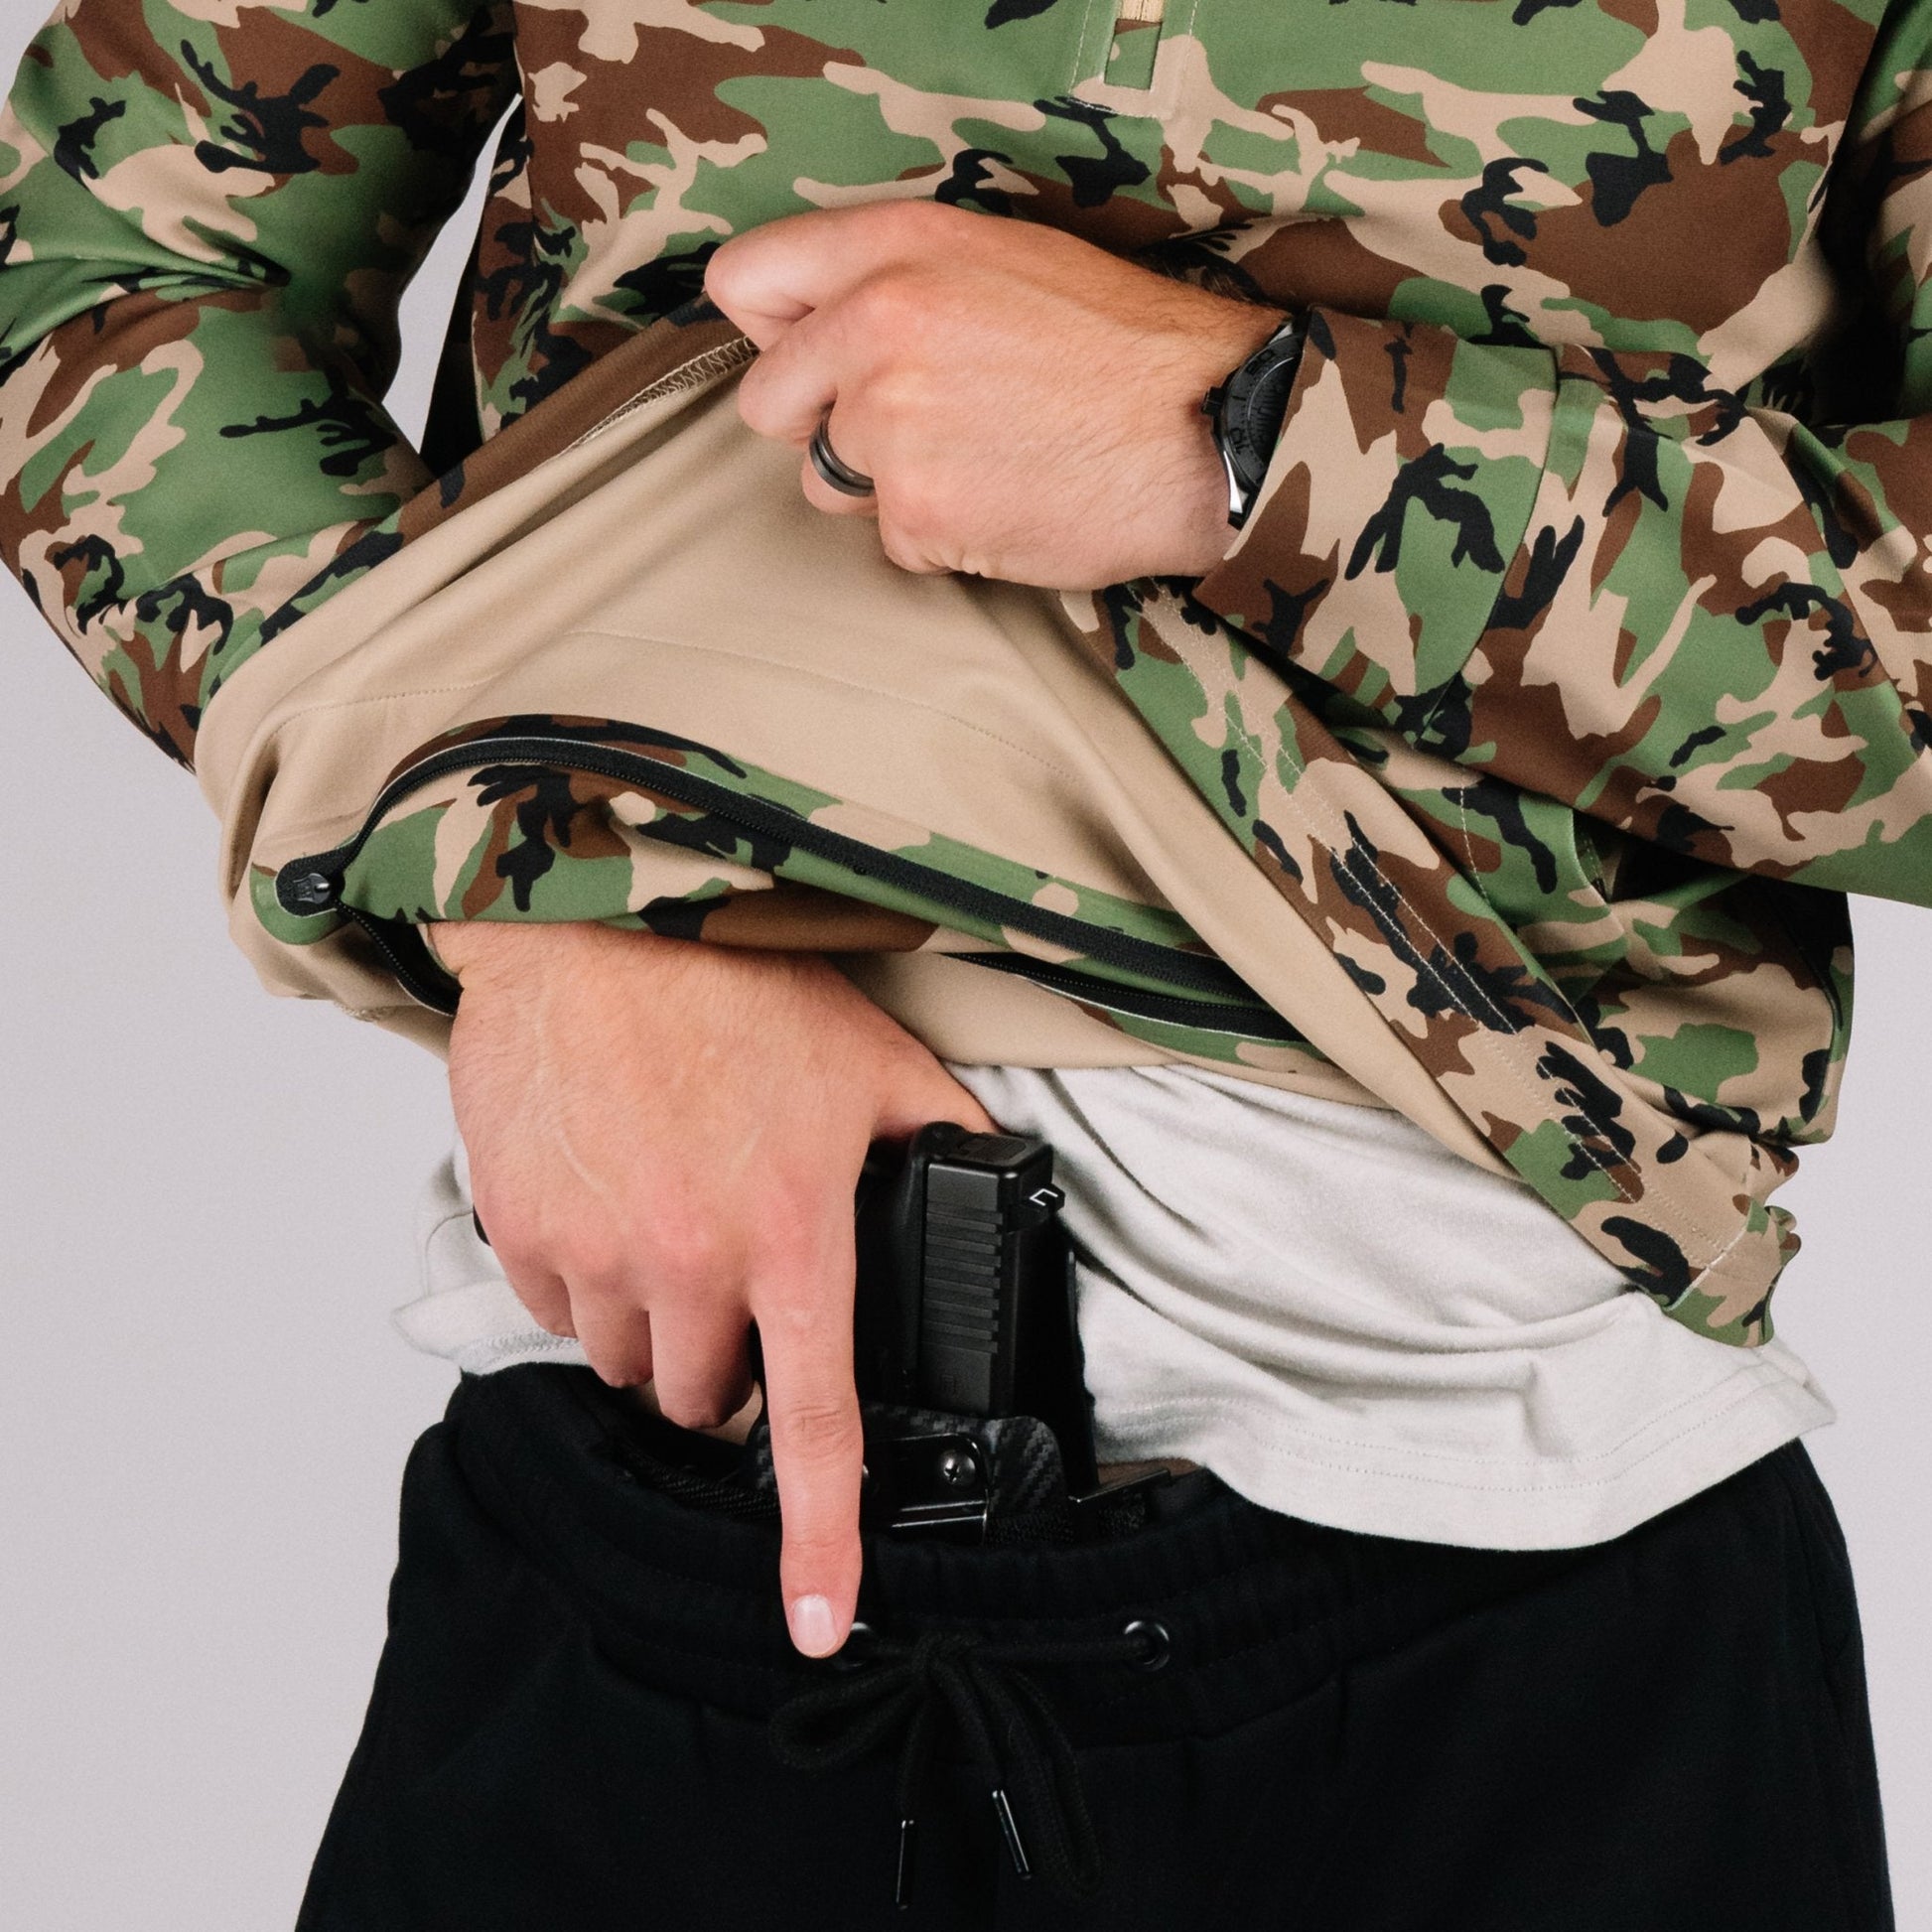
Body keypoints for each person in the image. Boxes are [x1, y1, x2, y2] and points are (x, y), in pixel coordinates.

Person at [1, 0, 1923, 1924]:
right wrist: (513, 886)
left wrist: (1260, 444)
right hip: (668, 1531)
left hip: (1523, 1596)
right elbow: (108, 264)